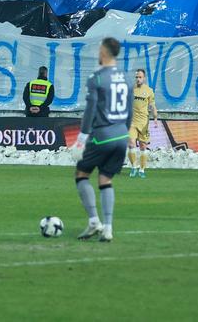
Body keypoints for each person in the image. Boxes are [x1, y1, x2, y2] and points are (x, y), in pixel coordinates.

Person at [73, 38, 132, 243]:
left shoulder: (97, 78)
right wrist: (127, 133)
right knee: (105, 179)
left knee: (82, 174)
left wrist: (81, 138)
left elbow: (90, 110)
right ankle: (108, 228)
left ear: (104, 52)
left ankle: (93, 221)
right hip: (121, 136)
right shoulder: (127, 78)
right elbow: (129, 111)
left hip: (102, 136)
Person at [128, 68, 158, 178]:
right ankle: (133, 167)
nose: (138, 79)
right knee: (131, 143)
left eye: (140, 77)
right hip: (132, 121)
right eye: (136, 77)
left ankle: (142, 169)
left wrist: (155, 118)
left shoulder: (149, 91)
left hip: (143, 122)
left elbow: (152, 106)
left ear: (144, 78)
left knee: (143, 146)